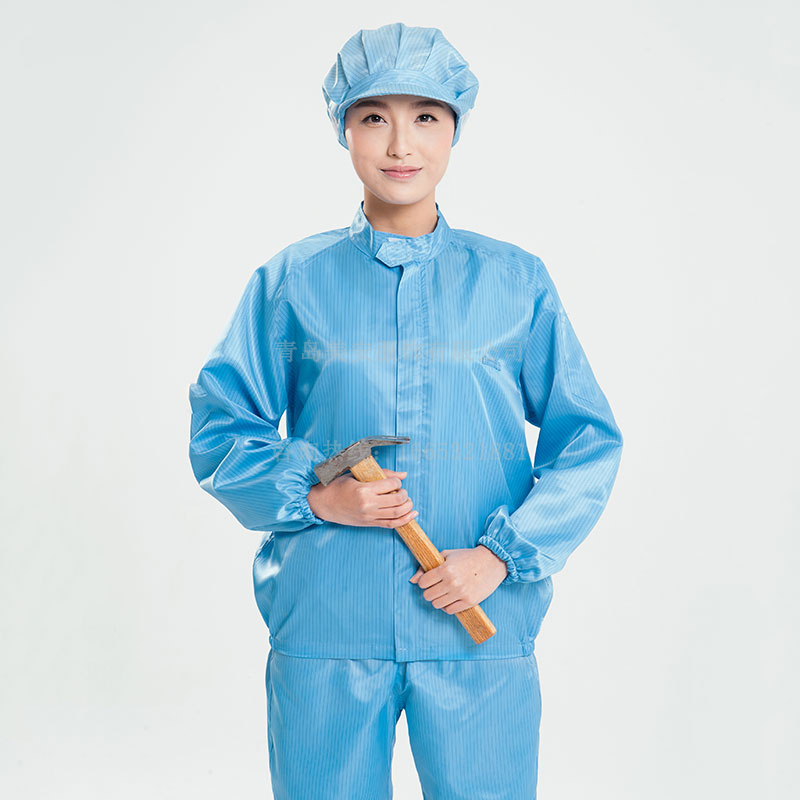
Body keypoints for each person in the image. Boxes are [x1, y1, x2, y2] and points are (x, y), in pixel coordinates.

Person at [188, 21, 623, 800]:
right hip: (327, 619)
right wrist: (319, 496)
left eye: (424, 116)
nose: (400, 144)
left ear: (455, 127)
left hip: (475, 621)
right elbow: (221, 428)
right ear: (344, 129)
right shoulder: (292, 281)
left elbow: (586, 441)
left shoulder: (514, 281)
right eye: (373, 116)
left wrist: (501, 557)